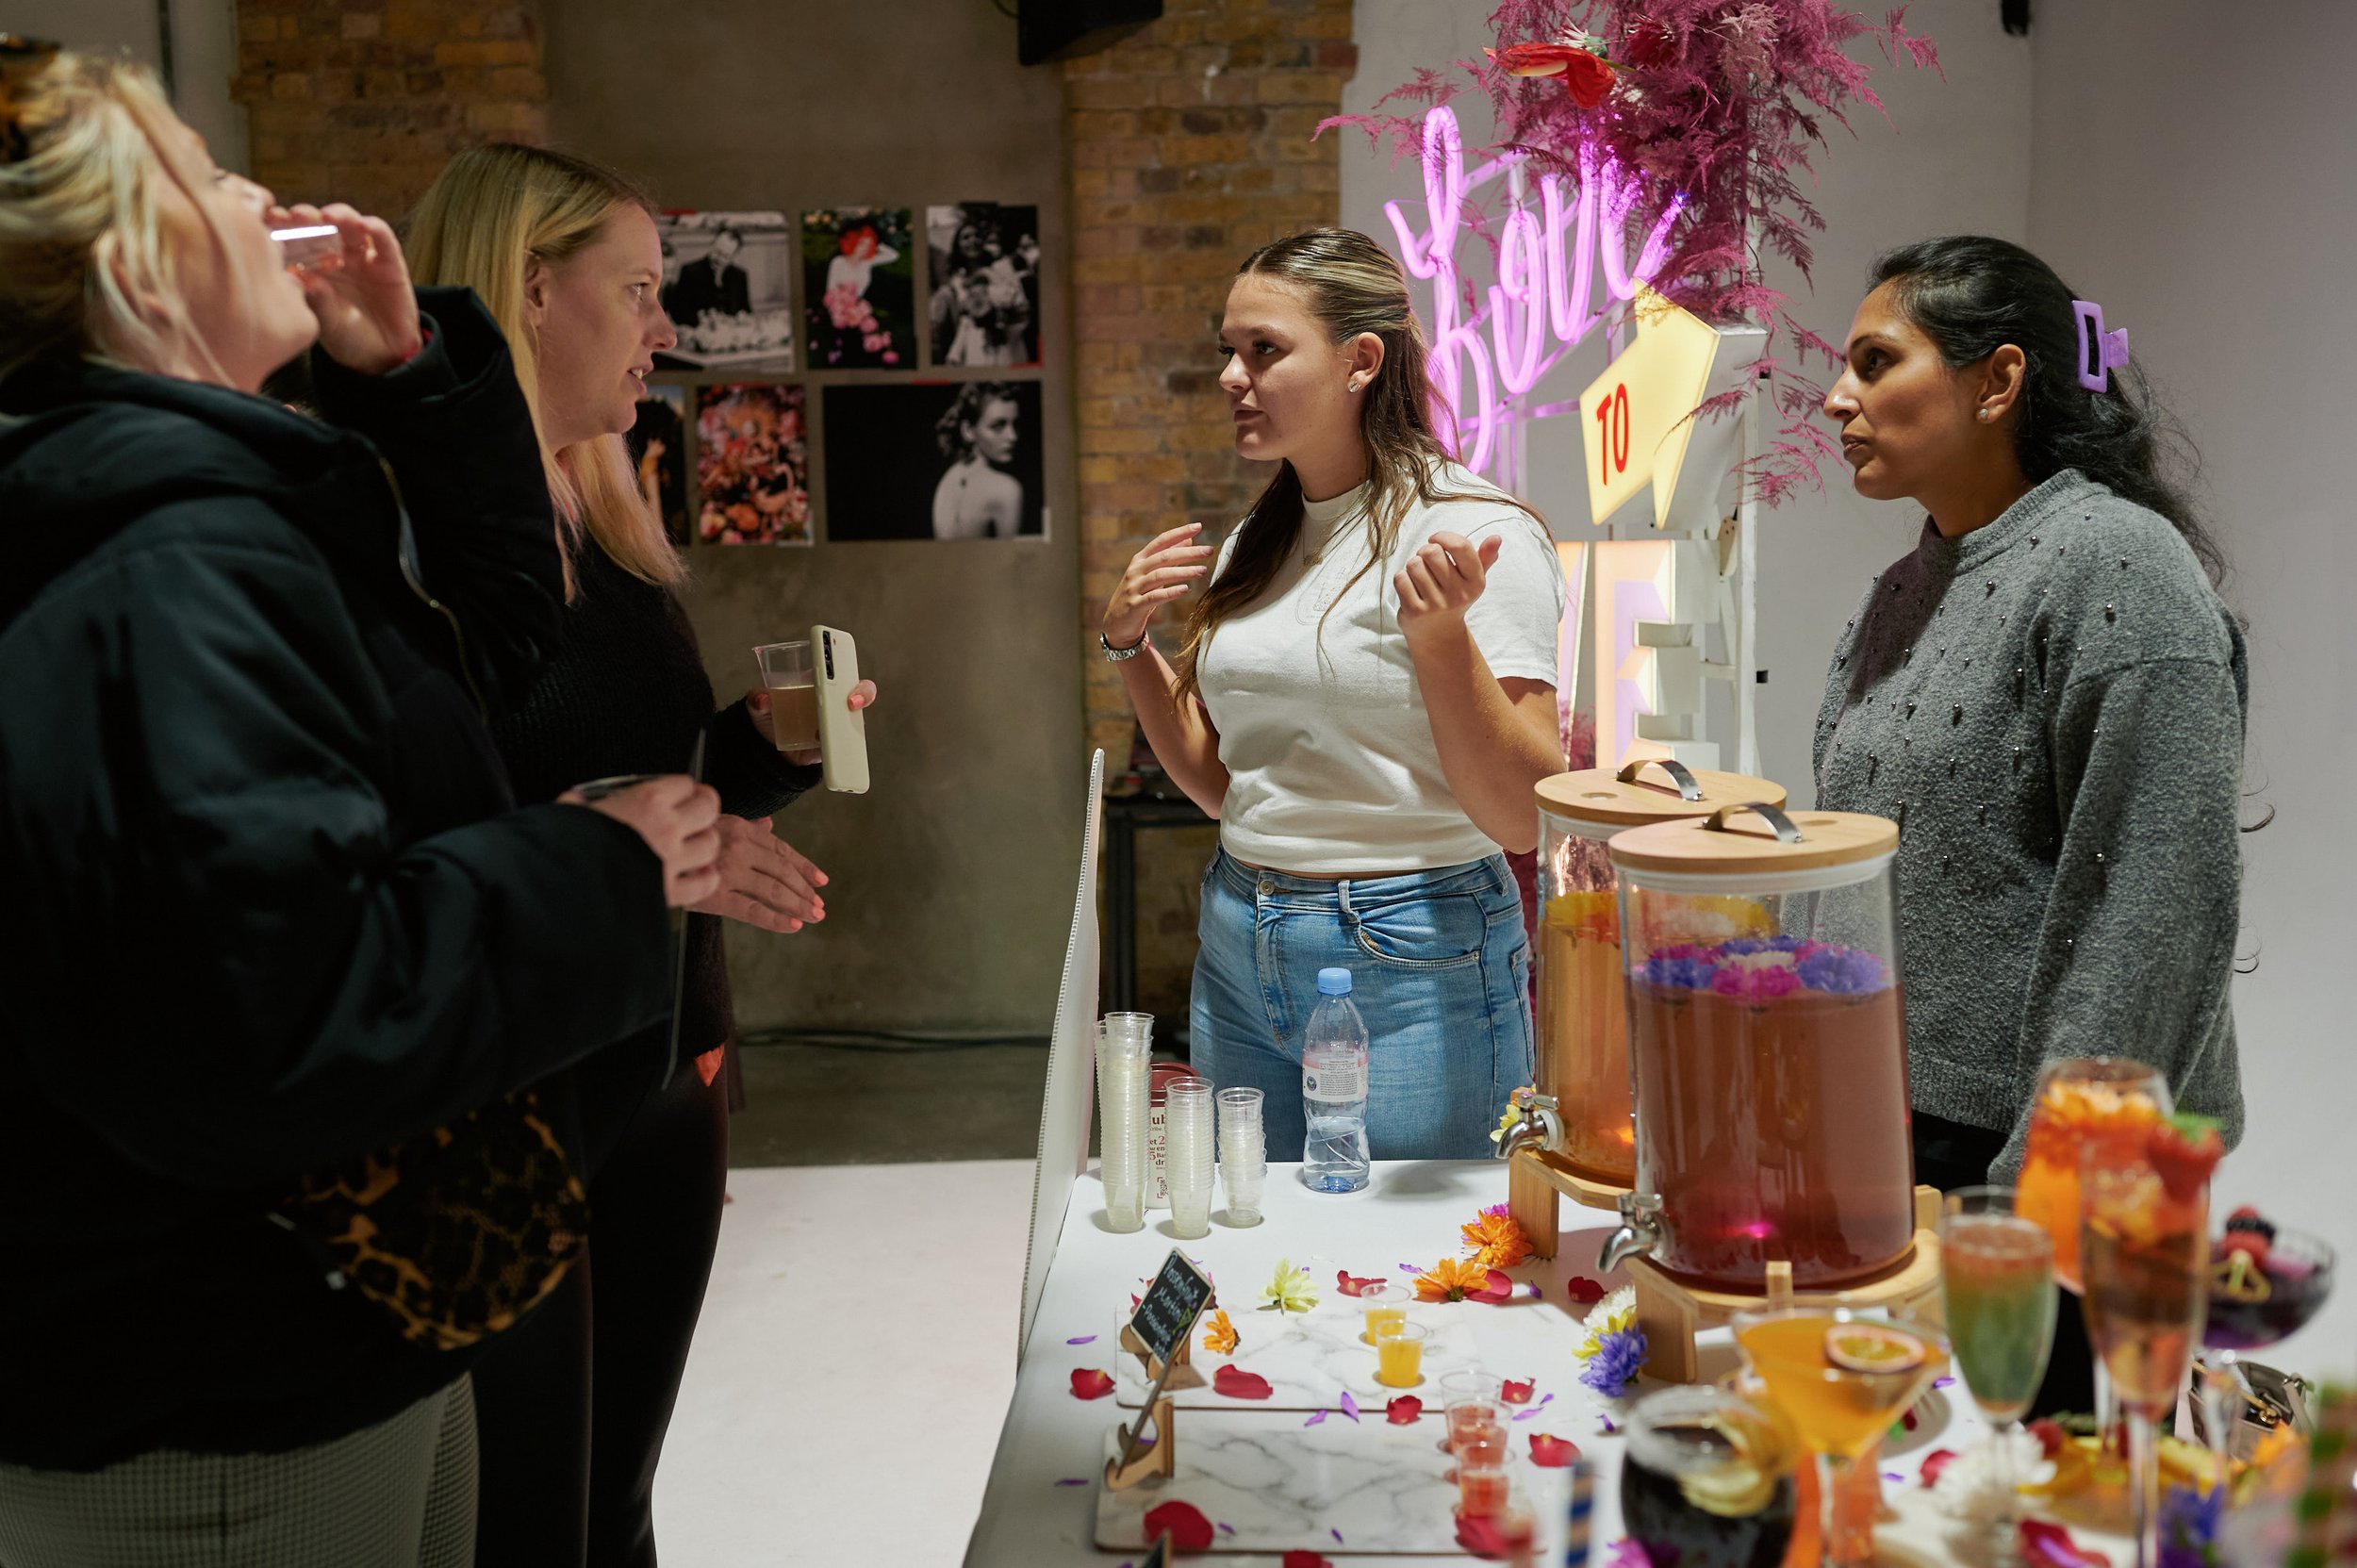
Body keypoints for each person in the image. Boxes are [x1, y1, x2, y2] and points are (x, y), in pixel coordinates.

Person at [0, 44, 720, 1566]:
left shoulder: (222, 508)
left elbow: (473, 652)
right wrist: (598, 861)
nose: (258, 188)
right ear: (137, 265)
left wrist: (410, 382)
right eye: (206, 173)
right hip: (223, 1369)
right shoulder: (166, 564)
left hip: (331, 1326)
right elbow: (272, 1025)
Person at [405, 142, 875, 1568]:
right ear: (531, 291)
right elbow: (428, 832)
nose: (665, 328)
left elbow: (646, 783)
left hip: (671, 1059)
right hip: (514, 1090)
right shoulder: (415, 541)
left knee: (618, 1495)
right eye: (637, 290)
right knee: (525, 1514)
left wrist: (758, 753)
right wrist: (643, 835)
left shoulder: (609, 513)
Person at [1815, 235, 2249, 1411]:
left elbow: (2153, 906)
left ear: (1995, 381)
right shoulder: (1902, 587)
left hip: (2048, 1161)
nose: (1834, 395)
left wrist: (2041, 1186)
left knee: (2034, 1494)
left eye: (1873, 359)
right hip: (1902, 1139)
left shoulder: (2118, 565)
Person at [1101, 227, 1566, 1163]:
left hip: (1410, 944)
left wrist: (1439, 643)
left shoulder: (1475, 533)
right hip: (1241, 927)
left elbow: (1523, 815)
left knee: (1421, 1267)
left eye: (1263, 350)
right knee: (1261, 1236)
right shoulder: (1255, 545)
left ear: (1360, 361)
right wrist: (1128, 646)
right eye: (1228, 350)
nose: (1232, 376)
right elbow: (1227, 784)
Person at [931, 381, 1026, 538]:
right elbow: (1010, 561)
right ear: (968, 431)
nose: (1013, 436)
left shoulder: (947, 479)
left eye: (1015, 424)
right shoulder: (1007, 490)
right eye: (998, 426)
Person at [659, 223, 748, 328]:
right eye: (717, 252)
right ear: (712, 245)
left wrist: (741, 318)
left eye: (725, 256)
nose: (718, 259)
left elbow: (746, 311)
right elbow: (679, 314)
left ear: (733, 256)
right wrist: (703, 321)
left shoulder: (740, 276)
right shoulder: (690, 272)